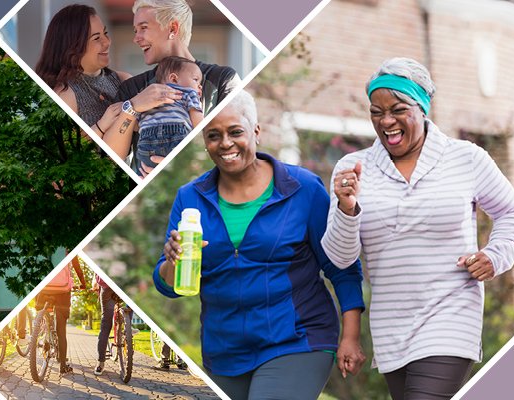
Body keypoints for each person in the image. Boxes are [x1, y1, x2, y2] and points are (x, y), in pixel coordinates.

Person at [321, 57, 514, 400]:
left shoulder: (465, 158)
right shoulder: (353, 169)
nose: (386, 121)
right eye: (376, 111)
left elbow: (511, 211)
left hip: (452, 314)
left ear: (422, 107)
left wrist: (495, 255)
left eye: (398, 109)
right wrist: (347, 208)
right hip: (392, 324)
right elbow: (341, 259)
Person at [154, 90, 365, 400]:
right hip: (224, 351)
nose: (225, 143)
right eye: (213, 135)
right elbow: (169, 286)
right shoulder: (191, 198)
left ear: (255, 131)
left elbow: (341, 266)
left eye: (235, 131)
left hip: (297, 340)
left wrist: (351, 335)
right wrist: (172, 262)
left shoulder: (301, 188)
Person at [34, 4, 183, 161]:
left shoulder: (123, 79)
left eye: (105, 33)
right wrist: (101, 126)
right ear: (72, 46)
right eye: (97, 38)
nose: (107, 42)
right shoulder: (65, 93)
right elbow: (64, 158)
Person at [116, 0, 239, 171]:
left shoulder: (223, 79)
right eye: (135, 30)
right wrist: (133, 107)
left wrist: (183, 164)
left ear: (173, 28)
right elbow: (114, 157)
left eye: (143, 28)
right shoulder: (131, 88)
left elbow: (234, 142)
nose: (136, 38)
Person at [134, 56, 203, 176]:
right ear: (174, 79)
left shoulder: (146, 96)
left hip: (146, 141)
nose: (200, 86)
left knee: (147, 172)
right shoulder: (188, 93)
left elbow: (136, 125)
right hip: (176, 135)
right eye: (196, 79)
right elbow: (199, 123)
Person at [34, 260, 78, 374]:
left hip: (44, 290)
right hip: (62, 291)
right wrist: (83, 283)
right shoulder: (68, 249)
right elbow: (78, 268)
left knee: (42, 313)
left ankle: (43, 329)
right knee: (61, 331)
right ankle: (63, 366)